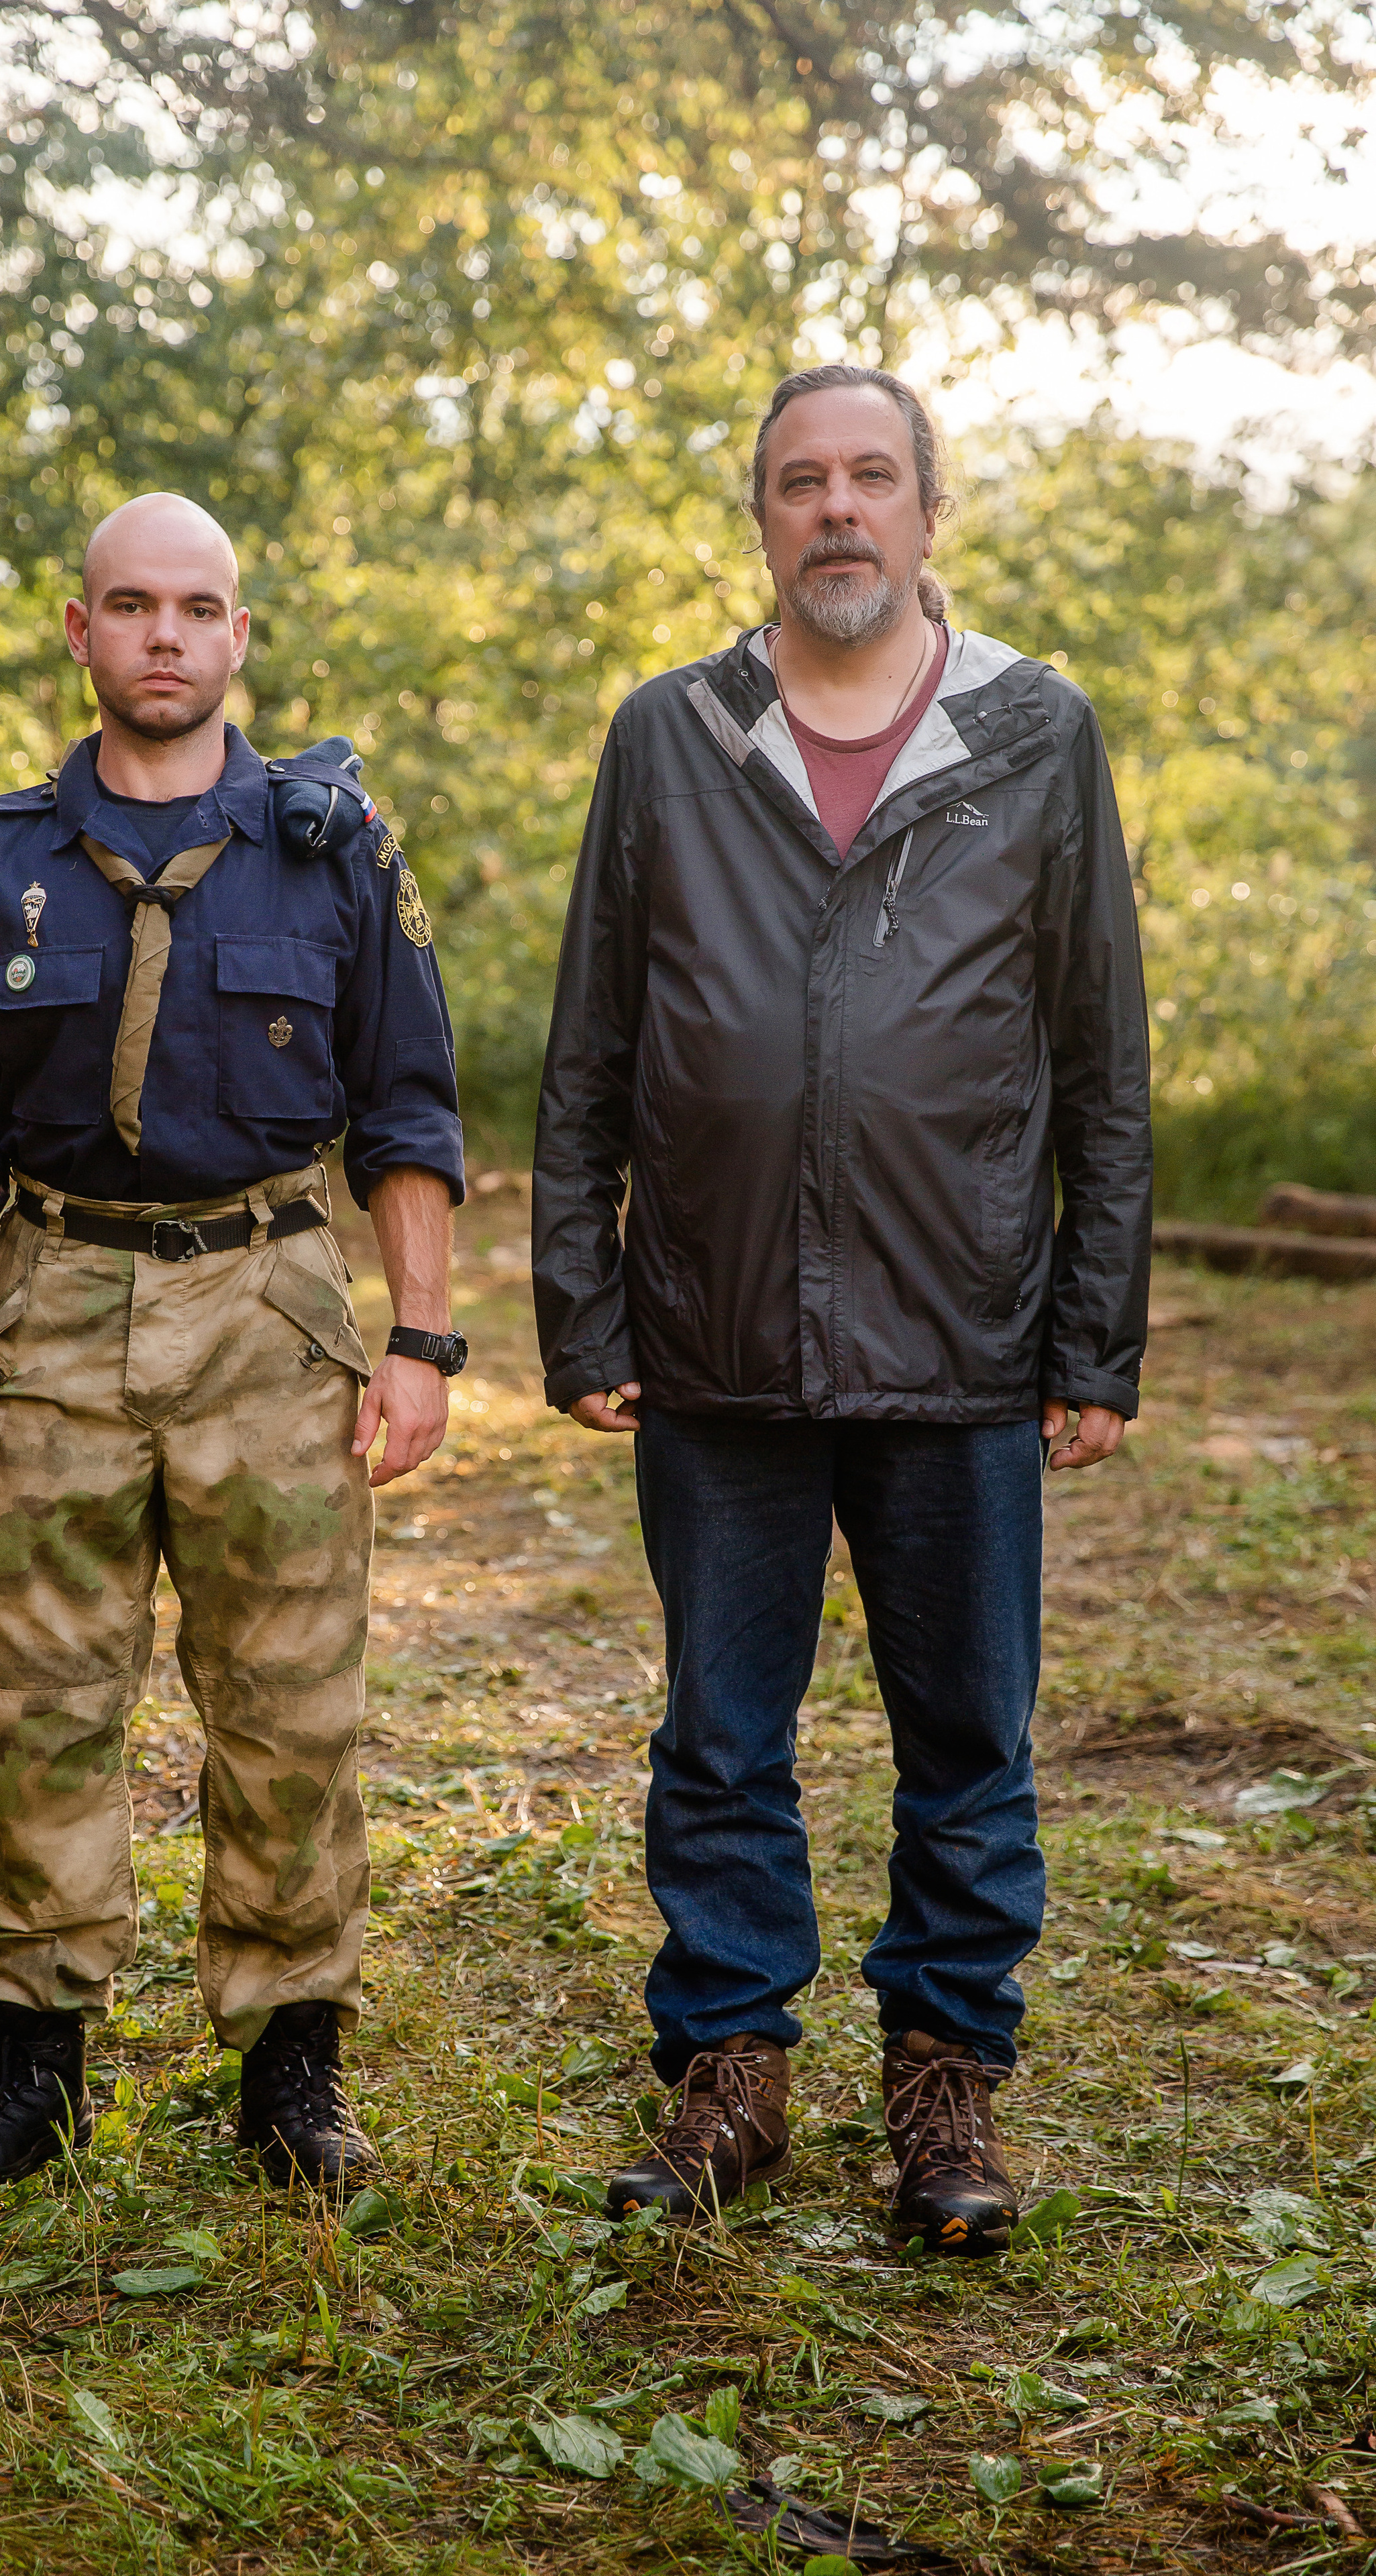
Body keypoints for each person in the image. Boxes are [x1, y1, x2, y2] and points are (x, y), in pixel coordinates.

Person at [531, 366, 1150, 2253]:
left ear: (930, 508)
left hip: (964, 1330)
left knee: (970, 1735)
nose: (838, 510)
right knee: (722, 1733)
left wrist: (1093, 1338)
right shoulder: (671, 736)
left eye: (872, 475)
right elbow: (588, 1054)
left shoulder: (1036, 733)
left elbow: (1102, 1064)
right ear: (762, 521)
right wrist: (584, 1309)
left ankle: (945, 2084)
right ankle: (730, 2074)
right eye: (801, 482)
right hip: (715, 1332)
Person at [0, 492, 468, 2197]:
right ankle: (30, 2058)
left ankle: (292, 2063)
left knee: (287, 1703)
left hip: (271, 1300)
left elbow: (406, 1114)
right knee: (32, 1696)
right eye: (128, 605)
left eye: (194, 608)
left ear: (235, 637)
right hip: (49, 1298)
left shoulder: (333, 844)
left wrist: (419, 1340)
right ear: (80, 631)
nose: (161, 634)